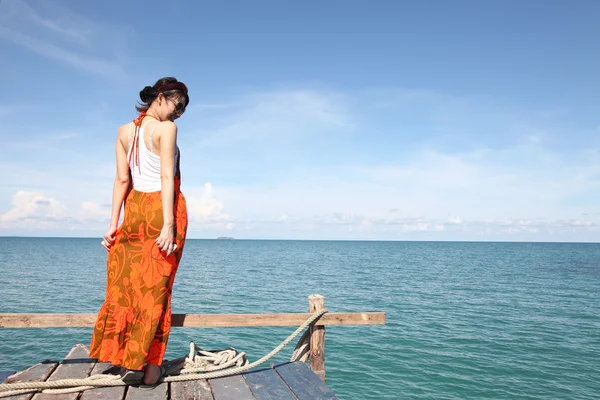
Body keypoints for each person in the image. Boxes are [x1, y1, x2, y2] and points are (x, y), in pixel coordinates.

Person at [89, 77, 189, 386]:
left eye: (184, 109)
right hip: (162, 210)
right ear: (160, 97)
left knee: (128, 288)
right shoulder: (167, 129)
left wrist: (112, 223)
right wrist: (169, 224)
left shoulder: (123, 131)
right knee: (157, 292)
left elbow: (122, 180)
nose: (179, 113)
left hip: (133, 211)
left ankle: (125, 359)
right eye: (177, 104)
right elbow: (165, 176)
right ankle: (149, 370)